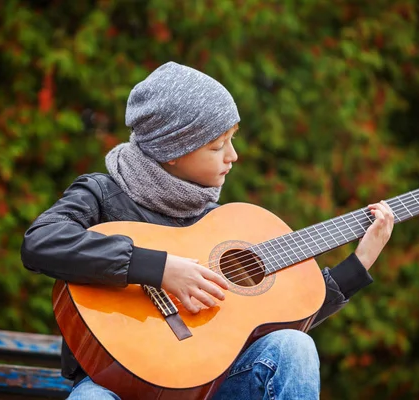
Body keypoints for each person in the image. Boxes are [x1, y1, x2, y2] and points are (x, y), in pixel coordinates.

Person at [20, 61, 394, 400]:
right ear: (173, 150)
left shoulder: (217, 223)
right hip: (112, 383)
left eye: (231, 140)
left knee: (294, 347)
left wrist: (359, 263)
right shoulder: (103, 195)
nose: (233, 156)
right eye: (218, 146)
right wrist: (160, 269)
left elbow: (284, 312)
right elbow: (41, 242)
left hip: (208, 389)